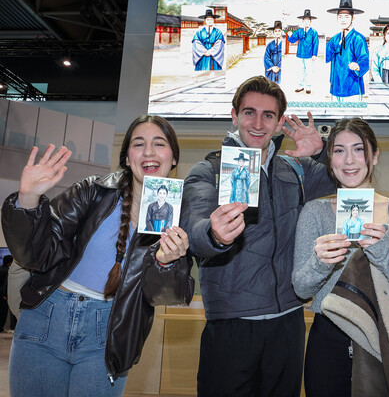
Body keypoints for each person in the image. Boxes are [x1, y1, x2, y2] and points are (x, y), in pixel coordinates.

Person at [1, 115, 193, 397]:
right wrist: (27, 199)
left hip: (109, 331)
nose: (148, 152)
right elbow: (36, 255)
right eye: (138, 144)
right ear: (127, 157)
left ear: (173, 157)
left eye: (159, 144)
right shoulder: (93, 191)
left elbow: (166, 296)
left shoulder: (179, 217)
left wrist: (165, 262)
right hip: (47, 318)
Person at [181, 75, 336, 396]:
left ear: (279, 123)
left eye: (268, 115)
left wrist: (320, 152)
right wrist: (214, 234)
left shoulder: (295, 169)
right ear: (234, 115)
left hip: (288, 322)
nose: (257, 123)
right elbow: (194, 229)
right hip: (232, 322)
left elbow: (345, 176)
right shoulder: (209, 171)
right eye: (249, 112)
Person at [293, 117, 389, 396]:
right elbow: (301, 288)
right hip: (329, 336)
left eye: (359, 149)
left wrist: (384, 251)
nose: (349, 160)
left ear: (375, 155)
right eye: (339, 150)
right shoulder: (314, 212)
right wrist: (320, 263)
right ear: (330, 160)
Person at [326, 0, 369, 102]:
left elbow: (365, 58)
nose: (343, 20)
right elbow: (327, 56)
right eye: (340, 17)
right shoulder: (335, 39)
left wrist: (358, 65)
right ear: (337, 18)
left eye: (346, 16)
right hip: (336, 84)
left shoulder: (358, 38)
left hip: (352, 84)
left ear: (352, 18)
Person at [287, 9, 319, 94]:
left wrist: (314, 54)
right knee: (300, 71)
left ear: (310, 22)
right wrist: (290, 35)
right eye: (304, 21)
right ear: (302, 22)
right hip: (300, 54)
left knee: (309, 71)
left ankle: (308, 87)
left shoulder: (314, 32)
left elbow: (316, 43)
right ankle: (300, 86)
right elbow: (293, 40)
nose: (306, 23)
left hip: (309, 55)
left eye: (308, 21)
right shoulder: (299, 31)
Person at [0, 255, 10, 332]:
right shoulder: (7, 271)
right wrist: (5, 294)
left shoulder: (0, 268)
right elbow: (6, 284)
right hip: (2, 294)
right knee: (3, 311)